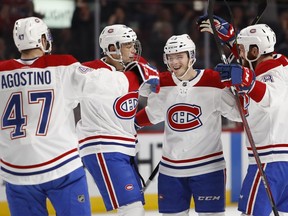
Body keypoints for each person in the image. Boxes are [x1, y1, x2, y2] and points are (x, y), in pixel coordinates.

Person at [135, 34, 240, 216]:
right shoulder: (163, 83)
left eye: (179, 56)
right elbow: (152, 114)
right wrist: (130, 126)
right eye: (170, 57)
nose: (174, 62)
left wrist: (236, 87)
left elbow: (239, 114)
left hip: (209, 168)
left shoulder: (213, 81)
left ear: (191, 56)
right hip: (171, 171)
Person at [0, 17, 91, 216]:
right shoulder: (63, 65)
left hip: (17, 172)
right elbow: (100, 87)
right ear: (41, 40)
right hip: (62, 166)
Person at [198, 15, 288, 216]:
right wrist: (231, 40)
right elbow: (247, 110)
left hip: (269, 161)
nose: (238, 53)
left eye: (241, 49)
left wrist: (247, 82)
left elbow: (269, 98)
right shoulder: (274, 68)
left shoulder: (273, 74)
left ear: (255, 51)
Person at [76, 24, 160, 216]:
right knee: (132, 208)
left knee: (133, 208)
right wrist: (139, 76)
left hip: (125, 147)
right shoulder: (89, 70)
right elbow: (114, 85)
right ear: (112, 48)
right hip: (102, 146)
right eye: (127, 45)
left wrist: (151, 76)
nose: (133, 50)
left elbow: (158, 88)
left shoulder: (136, 67)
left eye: (134, 45)